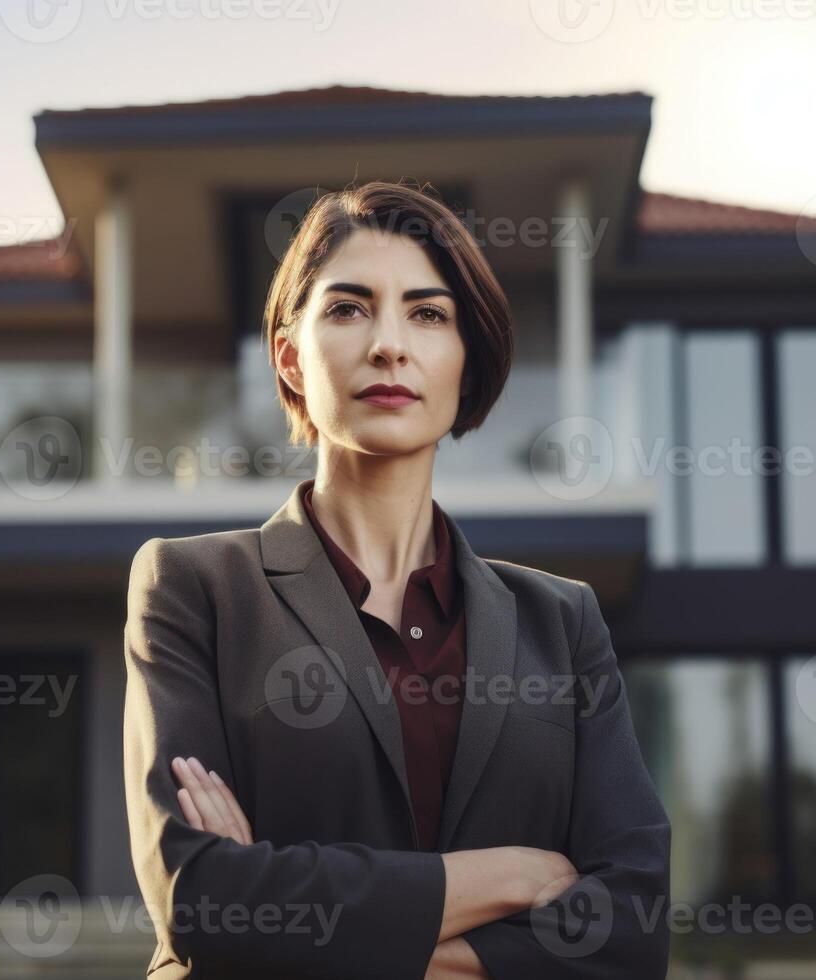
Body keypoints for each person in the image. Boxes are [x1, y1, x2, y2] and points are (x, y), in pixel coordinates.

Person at [123, 178, 670, 979]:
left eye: (428, 313)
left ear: (465, 359)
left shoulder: (562, 620)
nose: (390, 344)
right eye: (347, 309)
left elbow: (635, 925)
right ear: (290, 358)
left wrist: (304, 934)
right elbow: (202, 896)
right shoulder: (194, 587)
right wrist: (506, 879)